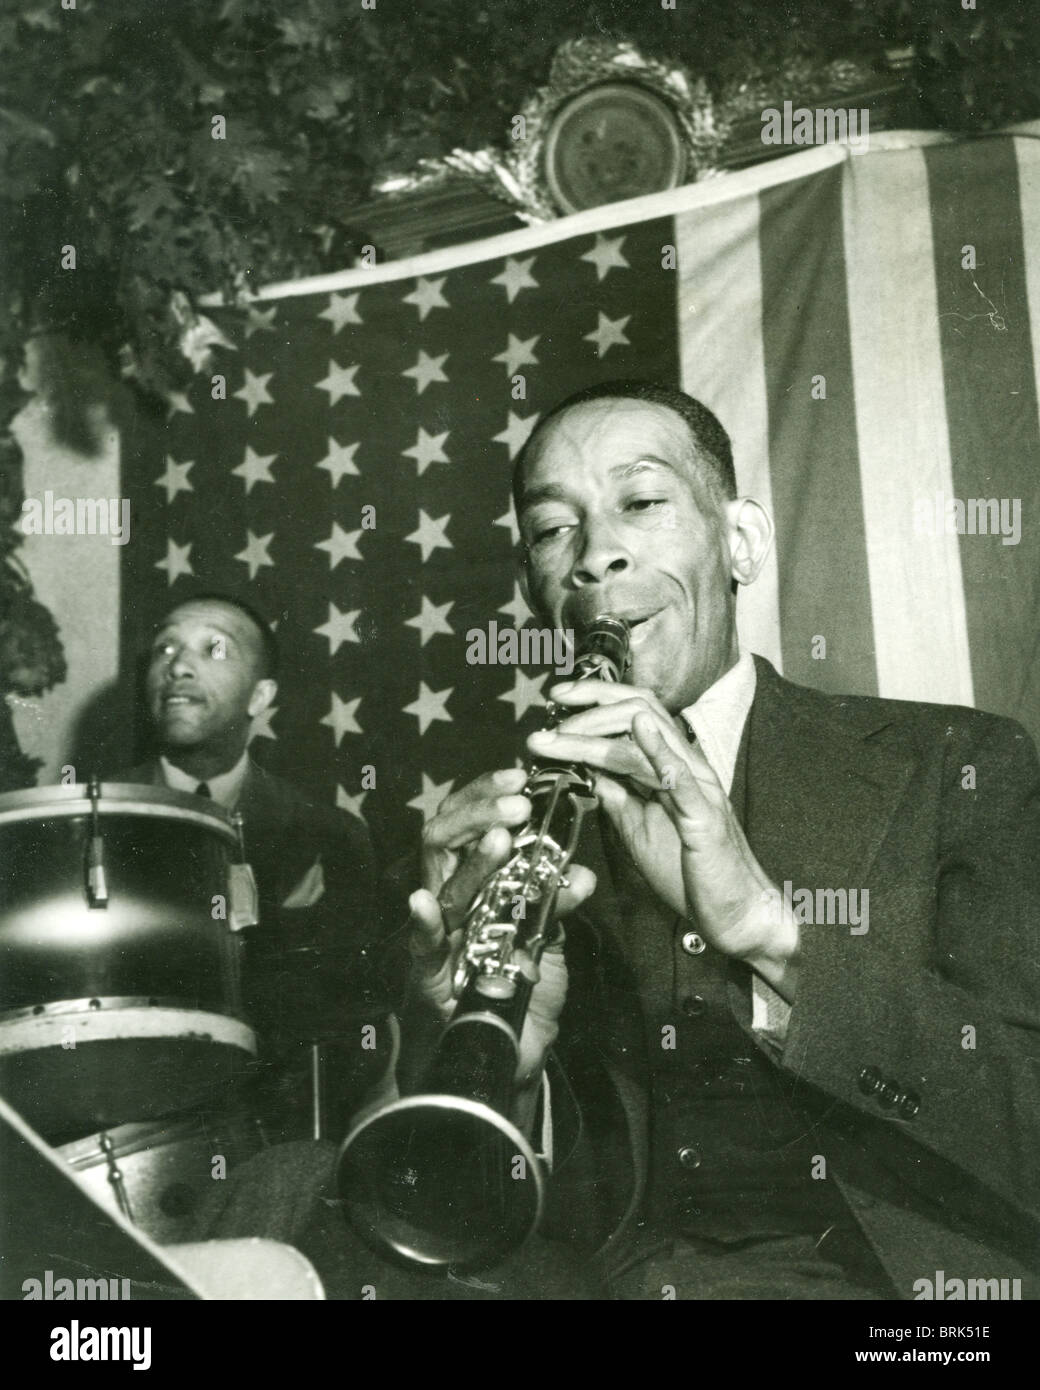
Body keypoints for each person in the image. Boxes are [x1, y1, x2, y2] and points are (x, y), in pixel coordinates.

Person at [405, 379, 1040, 1300]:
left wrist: (776, 937)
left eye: (643, 503)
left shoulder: (956, 761)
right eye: (553, 529)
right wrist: (489, 1061)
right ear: (533, 587)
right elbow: (449, 1223)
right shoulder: (508, 832)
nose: (596, 558)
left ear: (739, 544)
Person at [125, 592, 400, 1145]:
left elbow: (360, 1018)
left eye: (213, 649)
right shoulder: (99, 823)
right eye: (165, 649)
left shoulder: (331, 835)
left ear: (261, 695)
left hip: (284, 1139)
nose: (178, 665)